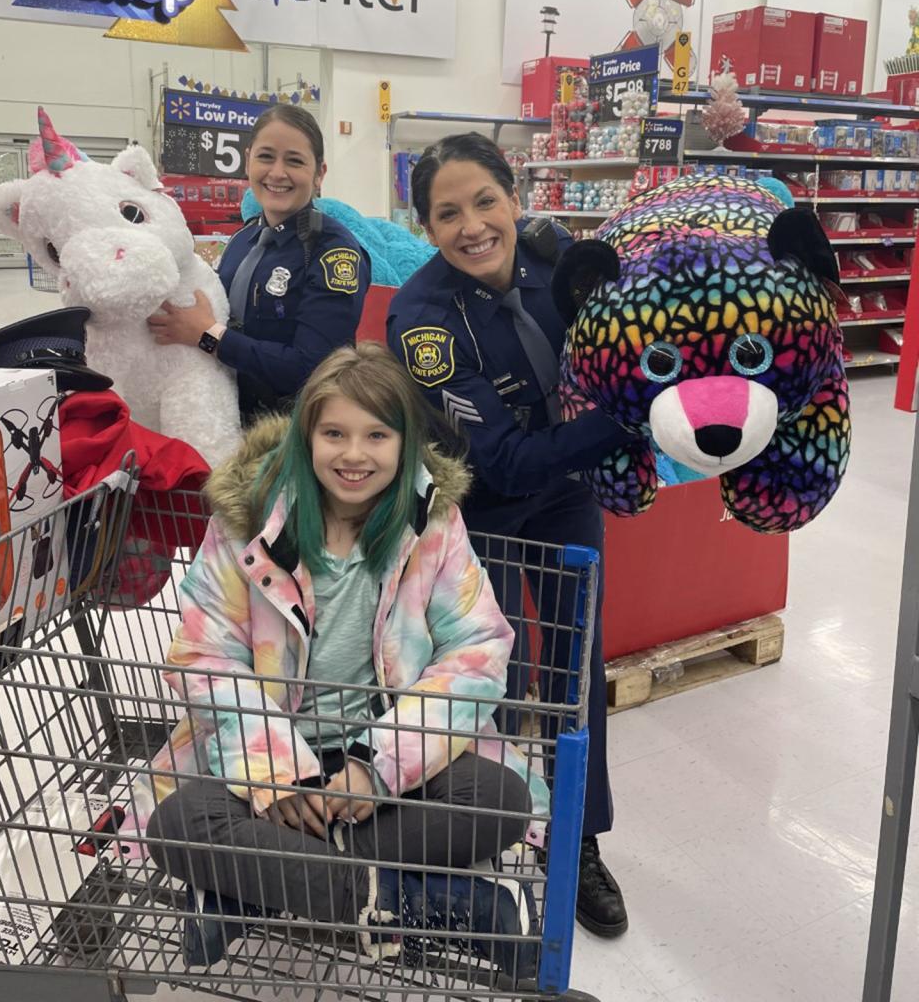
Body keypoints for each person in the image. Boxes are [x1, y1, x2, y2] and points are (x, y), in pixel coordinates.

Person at [143, 342, 546, 975]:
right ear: (306, 437)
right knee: (175, 822)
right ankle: (414, 897)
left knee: (497, 797)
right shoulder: (246, 523)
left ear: (405, 443)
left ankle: (252, 892)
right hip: (273, 751)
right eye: (334, 433)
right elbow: (204, 655)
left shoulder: (433, 527)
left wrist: (376, 765)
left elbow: (478, 649)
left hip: (388, 759)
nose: (354, 455)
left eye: (376, 435)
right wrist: (277, 776)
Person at [386, 133, 634, 939]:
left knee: (575, 667)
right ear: (425, 226)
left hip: (566, 499)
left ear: (515, 197)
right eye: (447, 213)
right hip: (480, 511)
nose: (473, 226)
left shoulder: (556, 258)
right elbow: (503, 457)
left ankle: (579, 839)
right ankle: (472, 834)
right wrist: (625, 422)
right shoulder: (420, 318)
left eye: (485, 202)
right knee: (483, 676)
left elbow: (625, 343)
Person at [148, 106, 371, 423]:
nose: (277, 173)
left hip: (293, 437)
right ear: (248, 159)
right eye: (266, 157)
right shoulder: (244, 238)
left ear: (319, 173)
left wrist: (208, 335)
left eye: (294, 161)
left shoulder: (332, 253)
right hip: (223, 418)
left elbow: (314, 371)